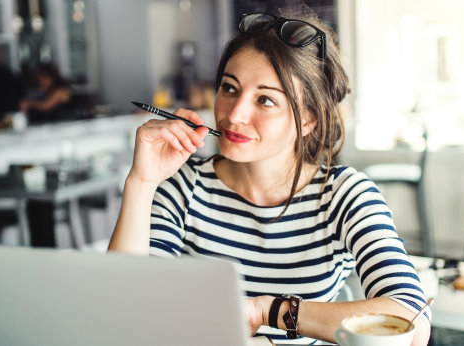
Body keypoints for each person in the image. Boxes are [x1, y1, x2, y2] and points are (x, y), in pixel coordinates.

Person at [108, 9, 430, 345]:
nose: (235, 114)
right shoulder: (183, 185)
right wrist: (142, 181)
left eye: (265, 100)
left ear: (308, 120)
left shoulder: (344, 195)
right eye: (229, 88)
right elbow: (121, 310)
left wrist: (268, 312)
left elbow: (412, 323)